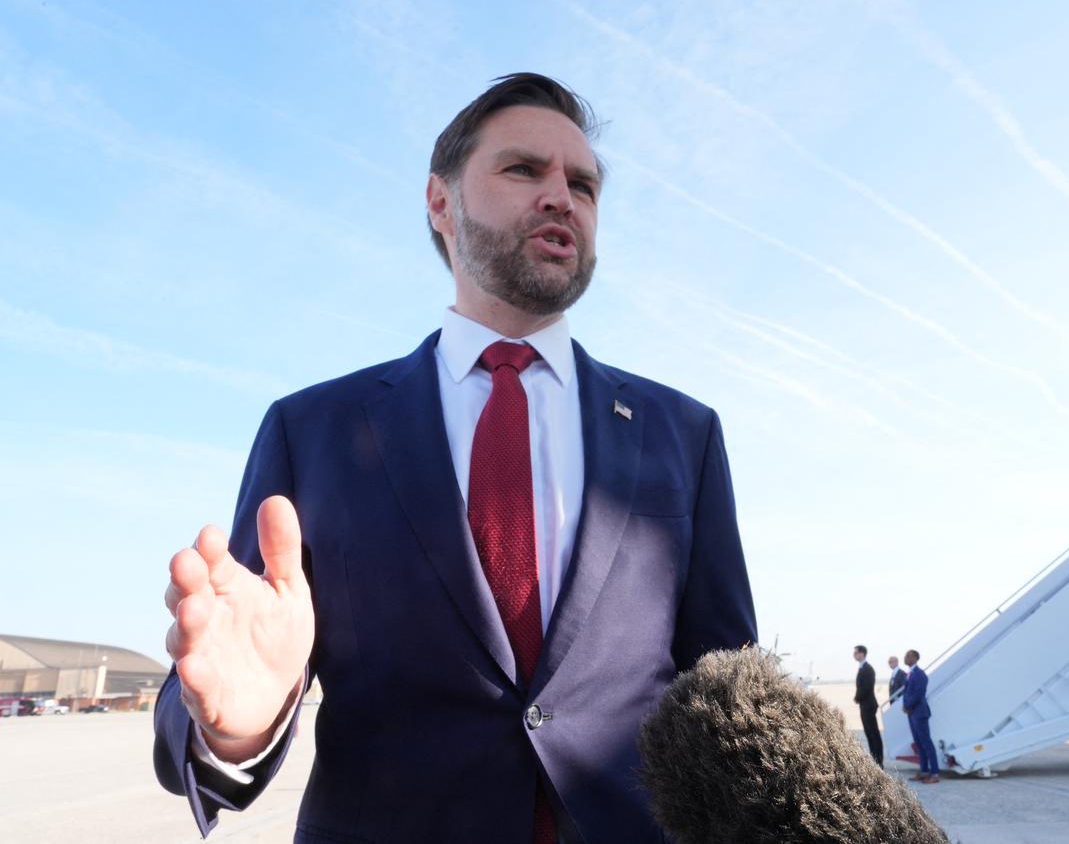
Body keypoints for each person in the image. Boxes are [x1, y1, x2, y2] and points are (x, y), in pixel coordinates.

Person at [153, 73, 757, 844]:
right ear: (439, 203)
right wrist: (240, 725)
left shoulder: (684, 432)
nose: (561, 197)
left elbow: (728, 694)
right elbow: (221, 669)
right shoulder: (314, 430)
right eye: (523, 169)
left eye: (583, 184)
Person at [901, 649, 939, 784]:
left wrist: (908, 705)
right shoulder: (909, 674)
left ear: (915, 659)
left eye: (908, 655)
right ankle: (924, 771)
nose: (905, 657)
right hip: (912, 713)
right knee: (919, 743)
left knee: (926, 743)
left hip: (920, 713)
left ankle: (934, 773)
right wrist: (905, 705)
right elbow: (907, 692)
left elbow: (919, 693)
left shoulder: (920, 674)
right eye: (906, 655)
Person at [852, 644, 882, 766]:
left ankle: (879, 761)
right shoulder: (862, 667)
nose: (854, 655)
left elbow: (866, 688)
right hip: (864, 704)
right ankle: (874, 758)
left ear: (862, 654)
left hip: (869, 704)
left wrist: (857, 698)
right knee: (869, 733)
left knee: (873, 733)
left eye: (856, 653)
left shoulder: (868, 669)